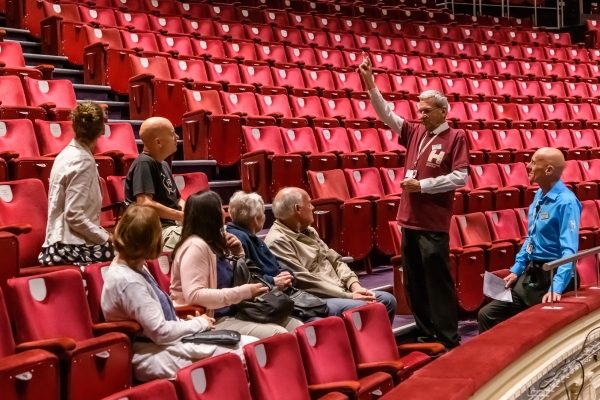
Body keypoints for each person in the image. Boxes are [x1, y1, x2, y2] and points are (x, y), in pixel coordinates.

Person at [359, 55, 469, 347]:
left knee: (438, 281)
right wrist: (371, 84)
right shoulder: (416, 132)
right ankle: (426, 331)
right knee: (414, 282)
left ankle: (448, 335)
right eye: (420, 110)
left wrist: (423, 185)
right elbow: (387, 115)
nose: (421, 115)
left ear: (444, 111)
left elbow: (461, 177)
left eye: (428, 111)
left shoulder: (456, 137)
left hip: (433, 223)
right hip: (409, 220)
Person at [101, 205, 255, 381]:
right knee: (245, 354)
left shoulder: (135, 264)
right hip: (151, 352)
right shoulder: (128, 281)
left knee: (249, 345)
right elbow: (160, 332)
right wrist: (198, 324)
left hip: (166, 344)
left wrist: (186, 322)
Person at [170, 190, 303, 339]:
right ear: (211, 216)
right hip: (213, 318)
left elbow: (239, 278)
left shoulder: (216, 243)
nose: (224, 212)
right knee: (279, 335)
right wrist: (243, 292)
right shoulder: (195, 247)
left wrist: (239, 255)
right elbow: (194, 295)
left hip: (238, 310)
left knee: (297, 326)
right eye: (220, 208)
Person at [478, 148, 581, 332]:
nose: (528, 166)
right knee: (487, 315)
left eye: (534, 162)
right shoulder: (539, 194)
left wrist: (556, 288)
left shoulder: (566, 202)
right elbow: (531, 238)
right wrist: (517, 268)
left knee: (534, 328)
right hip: (533, 275)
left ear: (548, 170)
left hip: (554, 277)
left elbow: (569, 252)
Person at [265, 187, 397, 322]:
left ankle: (375, 343)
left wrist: (354, 285)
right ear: (298, 209)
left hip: (341, 290)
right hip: (318, 297)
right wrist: (348, 296)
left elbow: (336, 260)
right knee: (367, 306)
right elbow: (304, 281)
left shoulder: (309, 231)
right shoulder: (277, 241)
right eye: (309, 204)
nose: (312, 208)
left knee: (387, 300)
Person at [39, 102, 114, 266]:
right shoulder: (82, 161)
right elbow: (74, 215)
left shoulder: (65, 154)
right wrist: (106, 237)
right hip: (69, 247)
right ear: (102, 130)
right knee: (132, 256)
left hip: (59, 243)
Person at [124, 116, 183, 251]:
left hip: (172, 226)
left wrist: (194, 213)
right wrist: (182, 216)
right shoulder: (144, 163)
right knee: (201, 237)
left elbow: (178, 200)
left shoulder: (163, 164)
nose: (177, 137)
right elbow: (144, 203)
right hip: (155, 230)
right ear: (158, 142)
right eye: (172, 133)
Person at [226, 191, 293, 291]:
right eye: (263, 213)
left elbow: (274, 265)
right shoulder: (238, 239)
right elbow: (244, 277)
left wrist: (286, 274)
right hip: (266, 297)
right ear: (256, 220)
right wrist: (272, 281)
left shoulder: (252, 237)